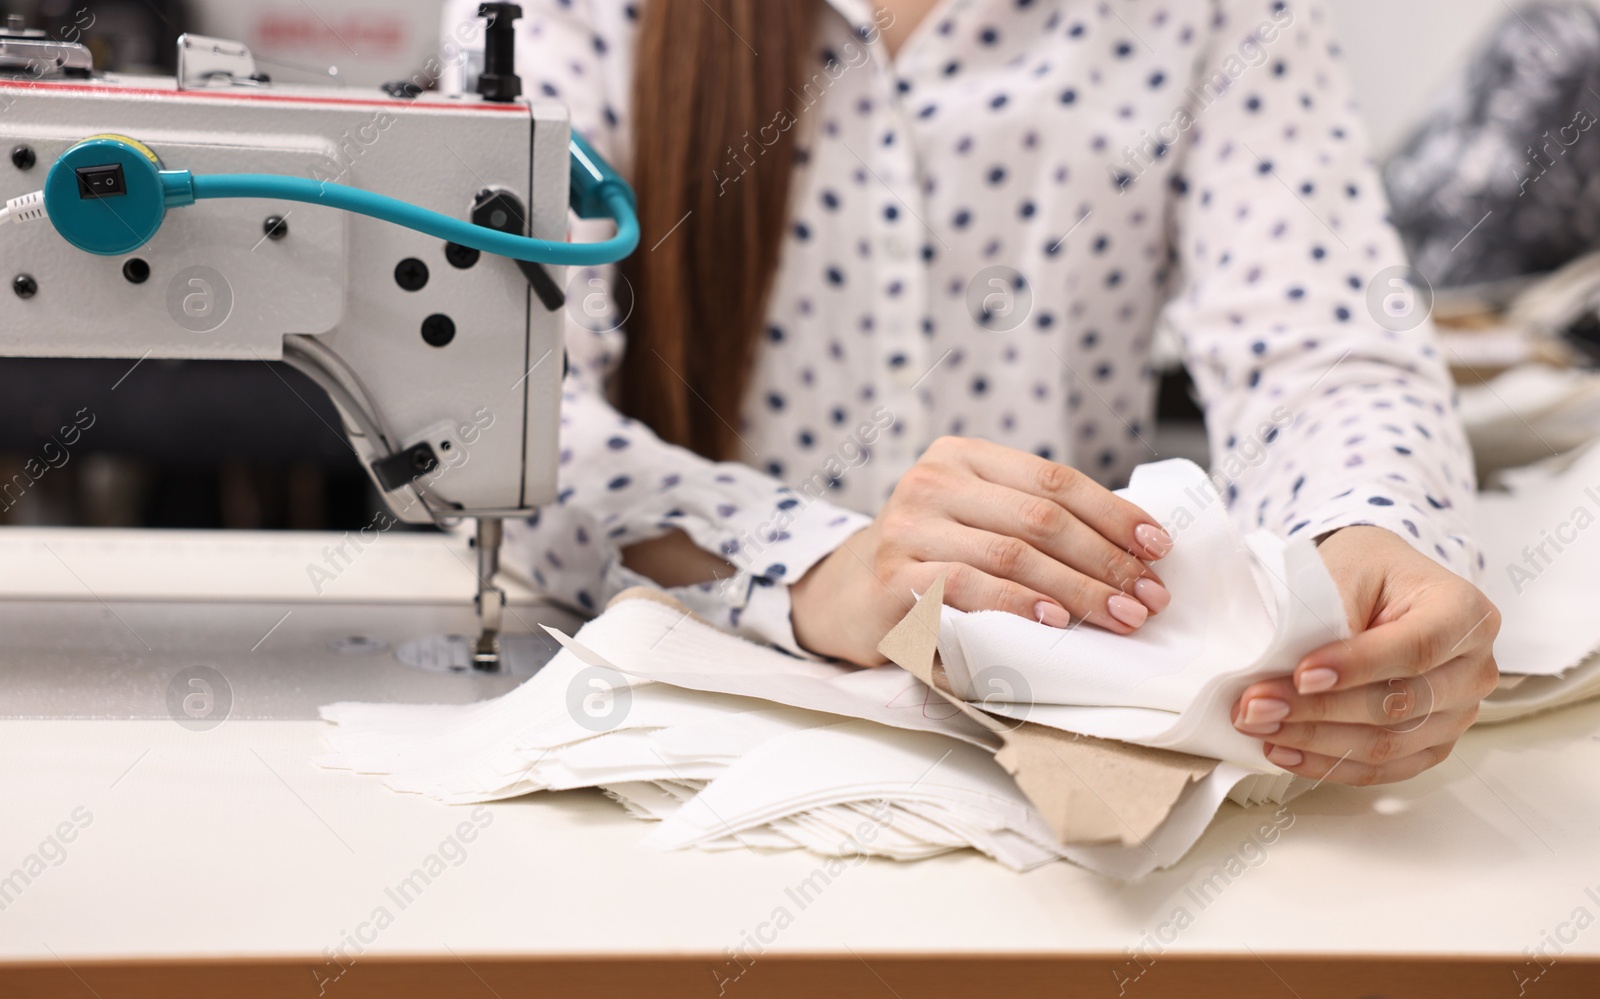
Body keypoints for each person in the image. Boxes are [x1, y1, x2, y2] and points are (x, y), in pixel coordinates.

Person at [440, 0, 1500, 787]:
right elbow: (493, 413)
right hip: (680, 726)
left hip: (1063, 766)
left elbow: (1322, 347)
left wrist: (1370, 527)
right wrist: (816, 568)